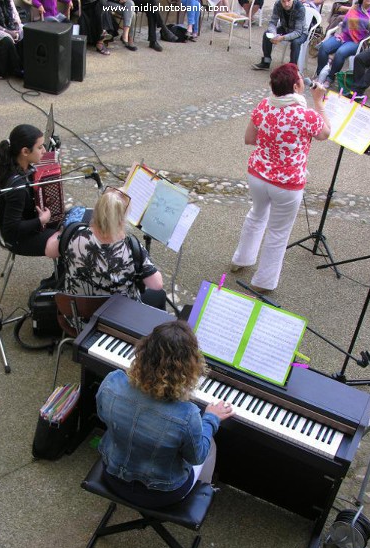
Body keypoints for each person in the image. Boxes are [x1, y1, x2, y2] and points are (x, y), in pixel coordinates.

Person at [96, 320, 234, 508]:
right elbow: (196, 457)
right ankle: (202, 492)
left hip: (112, 474)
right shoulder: (187, 415)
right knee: (209, 444)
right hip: (161, 493)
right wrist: (211, 418)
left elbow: (104, 416)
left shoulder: (112, 381)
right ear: (189, 366)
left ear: (143, 351)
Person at [230, 64, 330, 292]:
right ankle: (263, 283)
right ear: (296, 86)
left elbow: (249, 138)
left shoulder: (264, 105)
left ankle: (241, 259)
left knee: (256, 215)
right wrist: (319, 103)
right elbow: (325, 133)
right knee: (278, 232)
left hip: (257, 174)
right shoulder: (306, 115)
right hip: (287, 184)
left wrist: (271, 143)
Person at [63, 186, 166, 308]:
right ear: (122, 220)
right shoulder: (132, 248)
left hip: (77, 318)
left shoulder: (74, 234)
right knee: (159, 295)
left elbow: (50, 252)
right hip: (115, 323)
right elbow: (157, 285)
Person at [0, 125, 60, 258]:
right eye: (40, 147)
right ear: (25, 152)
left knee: (74, 221)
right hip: (20, 239)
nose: (44, 151)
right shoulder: (17, 187)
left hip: (29, 222)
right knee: (71, 241)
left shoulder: (12, 165)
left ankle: (60, 276)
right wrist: (41, 220)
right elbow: (11, 229)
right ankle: (61, 277)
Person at [316, 0, 370, 88]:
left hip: (358, 41)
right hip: (344, 36)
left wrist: (368, 42)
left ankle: (330, 78)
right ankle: (320, 75)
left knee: (340, 53)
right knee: (324, 47)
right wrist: (344, 33)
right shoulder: (355, 7)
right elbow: (345, 22)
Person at [252, 0, 307, 70]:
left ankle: (292, 68)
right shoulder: (278, 4)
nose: (286, 4)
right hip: (285, 28)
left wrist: (282, 37)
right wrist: (274, 34)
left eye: (288, 1)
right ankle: (266, 62)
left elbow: (298, 32)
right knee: (267, 34)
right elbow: (272, 23)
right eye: (283, 1)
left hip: (301, 32)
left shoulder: (299, 8)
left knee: (295, 43)